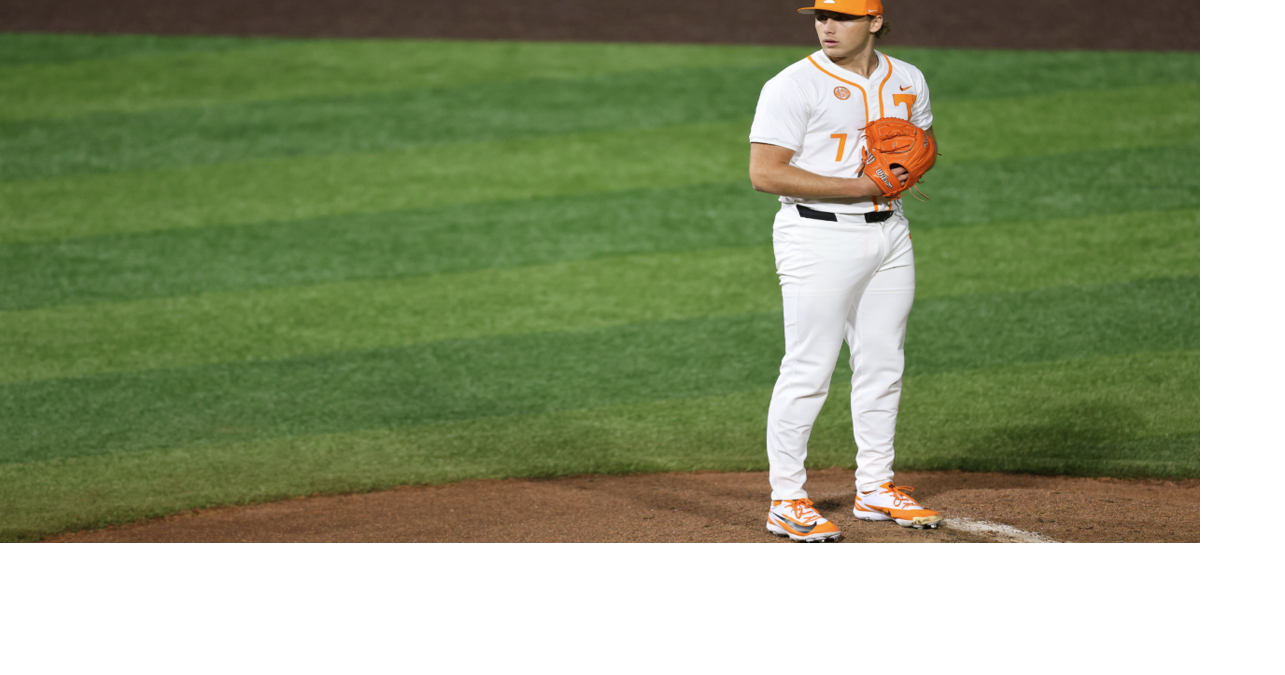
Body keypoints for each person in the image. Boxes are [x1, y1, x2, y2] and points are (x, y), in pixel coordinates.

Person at [750, 0, 943, 542]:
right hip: (817, 236)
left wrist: (912, 165)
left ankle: (876, 487)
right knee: (808, 369)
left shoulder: (908, 78)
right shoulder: (792, 85)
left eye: (842, 17)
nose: (827, 26)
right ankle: (787, 499)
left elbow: (920, 147)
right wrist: (862, 185)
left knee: (883, 361)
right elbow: (765, 174)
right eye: (820, 16)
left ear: (875, 22)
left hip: (890, 231)